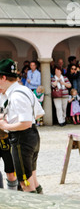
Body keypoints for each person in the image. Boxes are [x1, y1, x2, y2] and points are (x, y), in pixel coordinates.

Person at [0, 59, 43, 193]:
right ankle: (43, 208)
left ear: (4, 77)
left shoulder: (16, 96)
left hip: (21, 139)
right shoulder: (24, 89)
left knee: (25, 183)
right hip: (32, 136)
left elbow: (25, 123)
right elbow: (39, 113)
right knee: (33, 180)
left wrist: (6, 125)